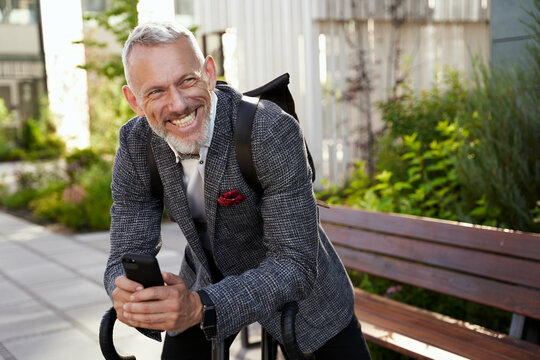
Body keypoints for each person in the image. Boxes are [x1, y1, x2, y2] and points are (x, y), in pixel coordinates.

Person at [104, 21, 372, 360]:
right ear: (134, 101)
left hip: (307, 302)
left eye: (187, 80)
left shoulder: (269, 131)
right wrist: (125, 291)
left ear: (210, 73)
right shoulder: (135, 144)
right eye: (155, 92)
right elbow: (124, 252)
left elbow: (295, 263)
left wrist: (200, 306)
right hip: (206, 275)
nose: (178, 104)